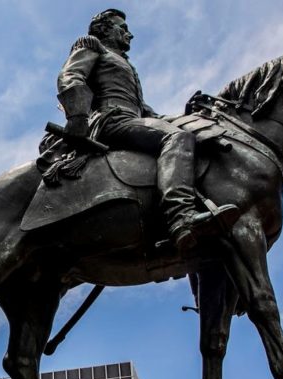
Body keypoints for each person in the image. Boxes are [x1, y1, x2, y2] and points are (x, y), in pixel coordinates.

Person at [57, 8, 237, 249]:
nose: (129, 34)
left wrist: (191, 118)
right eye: (123, 28)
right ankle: (180, 216)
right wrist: (77, 116)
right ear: (105, 29)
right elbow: (70, 76)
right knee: (176, 138)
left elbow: (146, 112)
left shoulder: (125, 64)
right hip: (112, 120)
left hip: (131, 118)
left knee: (185, 133)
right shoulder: (92, 46)